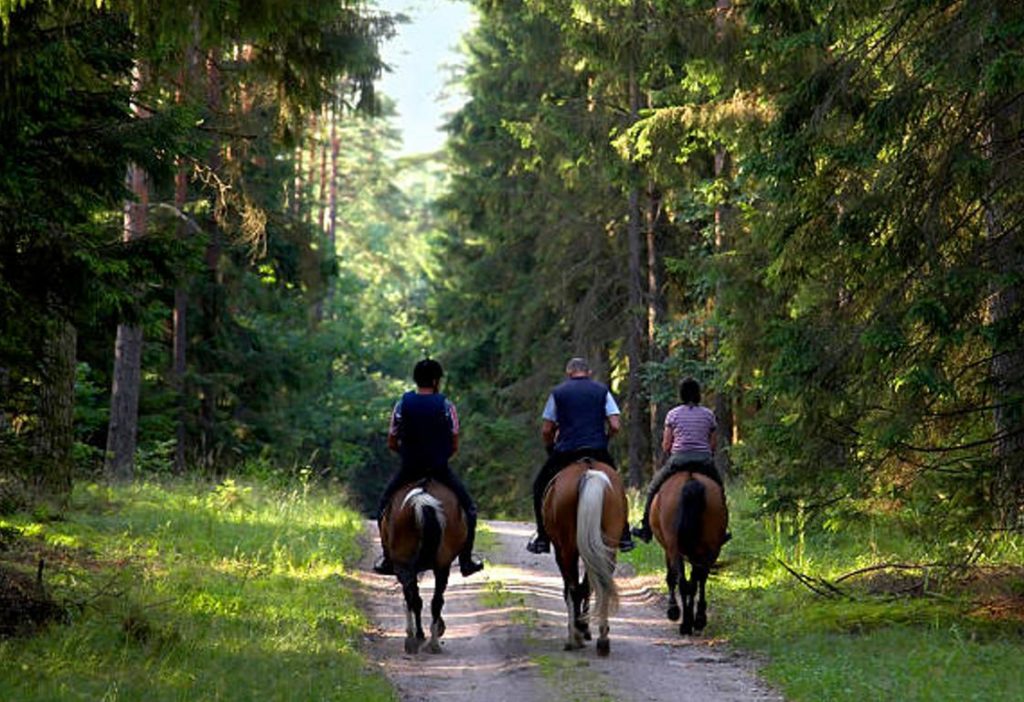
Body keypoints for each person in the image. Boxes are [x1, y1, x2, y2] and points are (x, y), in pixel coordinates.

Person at [373, 358, 485, 577]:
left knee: (383, 506)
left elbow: (391, 440)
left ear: (416, 380)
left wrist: (406, 455)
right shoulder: (446, 405)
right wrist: (440, 457)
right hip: (439, 468)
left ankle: (387, 557)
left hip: (409, 469)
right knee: (469, 509)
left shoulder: (401, 404)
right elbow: (454, 442)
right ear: (435, 381)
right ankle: (466, 560)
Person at [525, 357, 635, 554]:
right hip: (597, 450)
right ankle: (624, 535)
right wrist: (605, 438)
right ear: (589, 372)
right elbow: (615, 424)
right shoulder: (602, 391)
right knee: (616, 486)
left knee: (539, 486)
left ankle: (542, 536)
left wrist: (551, 446)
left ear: (569, 373)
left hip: (566, 451)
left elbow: (546, 429)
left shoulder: (558, 393)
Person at [632, 376, 730, 543]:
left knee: (653, 489)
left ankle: (646, 530)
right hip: (703, 461)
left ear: (682, 395)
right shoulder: (708, 414)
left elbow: (666, 444)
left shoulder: (673, 415)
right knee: (720, 491)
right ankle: (722, 531)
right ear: (698, 394)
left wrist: (672, 451)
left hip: (678, 461)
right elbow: (713, 443)